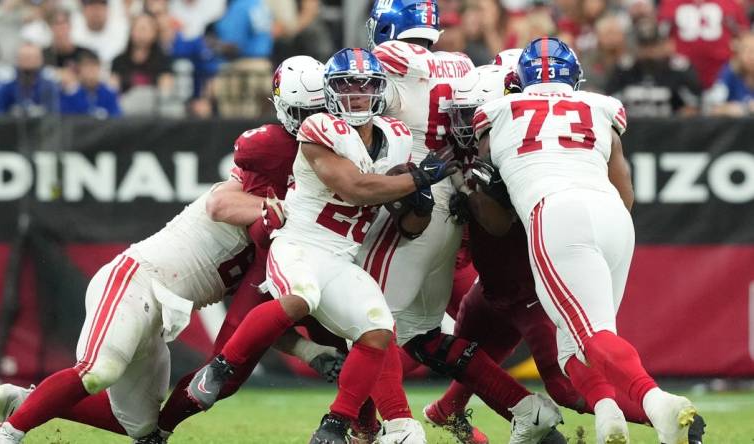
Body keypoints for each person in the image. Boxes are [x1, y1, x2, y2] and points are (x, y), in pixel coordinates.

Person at [0, 114, 344, 444]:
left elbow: (255, 322)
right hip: (134, 282)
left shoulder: (285, 233)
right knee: (98, 372)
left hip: (160, 318)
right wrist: (274, 209)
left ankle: (25, 402)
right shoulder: (248, 200)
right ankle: (4, 436)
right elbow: (220, 204)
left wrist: (310, 351)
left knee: (137, 425)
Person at [185, 47, 456, 444]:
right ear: (330, 92)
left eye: (367, 86)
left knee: (378, 331)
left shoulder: (396, 137)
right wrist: (417, 180)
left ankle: (334, 426)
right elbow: (356, 187)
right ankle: (221, 366)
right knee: (301, 297)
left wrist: (420, 202)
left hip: (343, 255)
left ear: (381, 91)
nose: (358, 95)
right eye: (348, 85)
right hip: (299, 241)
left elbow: (410, 226)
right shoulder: (319, 130)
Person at [471, 36, 698, 444]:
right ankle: (608, 417)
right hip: (612, 214)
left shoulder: (496, 111)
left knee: (591, 338)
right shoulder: (601, 107)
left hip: (555, 212)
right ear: (573, 76)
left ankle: (658, 402)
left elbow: (495, 217)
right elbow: (625, 192)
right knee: (578, 343)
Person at [362, 2, 565, 443]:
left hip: (409, 206)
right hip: (453, 207)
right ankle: (524, 408)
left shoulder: (391, 62)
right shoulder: (458, 63)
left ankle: (396, 426)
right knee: (422, 336)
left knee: (367, 325)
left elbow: (369, 80)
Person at [134, 55, 344, 444]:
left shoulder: (352, 136)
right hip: (279, 262)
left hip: (335, 256)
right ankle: (159, 430)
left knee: (360, 341)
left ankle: (365, 426)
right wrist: (273, 208)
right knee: (226, 371)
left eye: (318, 109)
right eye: (303, 111)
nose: (312, 119)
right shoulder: (268, 146)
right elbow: (220, 204)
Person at [0, 43, 59, 116]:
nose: (28, 61)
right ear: (17, 59)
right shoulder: (5, 81)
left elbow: (58, 112)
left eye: (32, 57)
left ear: (41, 60)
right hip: (10, 125)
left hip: (44, 125)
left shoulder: (49, 81)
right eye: (24, 57)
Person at [60, 49, 122, 118]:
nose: (91, 71)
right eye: (86, 66)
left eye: (94, 66)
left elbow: (117, 118)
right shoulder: (70, 94)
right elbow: (65, 118)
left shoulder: (109, 93)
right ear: (79, 69)